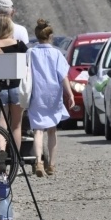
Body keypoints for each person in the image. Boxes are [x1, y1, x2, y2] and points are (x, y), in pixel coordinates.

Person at [28, 19, 75, 177]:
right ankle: (52, 165)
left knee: (38, 130)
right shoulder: (56, 53)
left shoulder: (31, 52)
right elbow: (63, 76)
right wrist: (70, 94)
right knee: (52, 130)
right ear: (51, 36)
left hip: (37, 94)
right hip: (53, 95)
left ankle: (39, 162)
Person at [0, 15, 28, 154]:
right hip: (16, 87)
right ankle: (15, 157)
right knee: (16, 125)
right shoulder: (19, 44)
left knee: (1, 125)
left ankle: (1, 150)